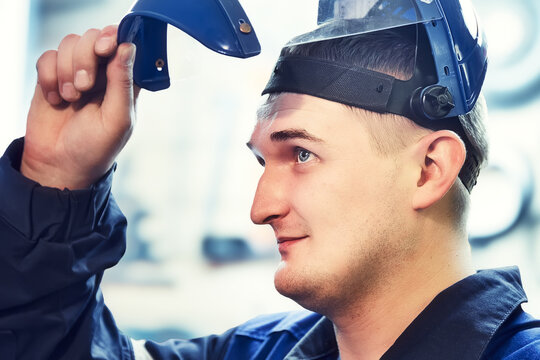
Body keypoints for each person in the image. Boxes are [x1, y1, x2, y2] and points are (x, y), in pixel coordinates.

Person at [1, 2, 539, 360]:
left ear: (429, 169)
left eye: (302, 153)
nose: (261, 208)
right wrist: (55, 181)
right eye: (265, 162)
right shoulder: (260, 352)